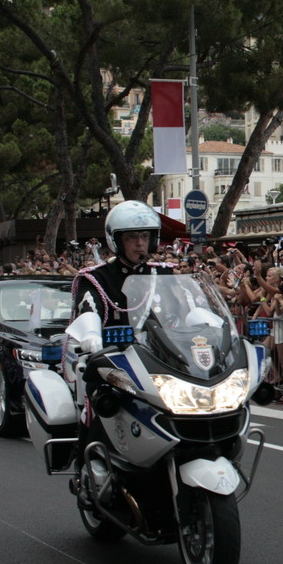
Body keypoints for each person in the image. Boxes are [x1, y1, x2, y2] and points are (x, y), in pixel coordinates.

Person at [69, 200, 172, 493]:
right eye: (132, 237)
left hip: (159, 361)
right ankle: (86, 469)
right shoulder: (97, 277)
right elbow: (88, 308)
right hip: (114, 363)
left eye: (145, 236)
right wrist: (91, 332)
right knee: (98, 405)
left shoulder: (164, 274)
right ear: (116, 241)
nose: (140, 243)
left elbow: (186, 307)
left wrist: (206, 320)